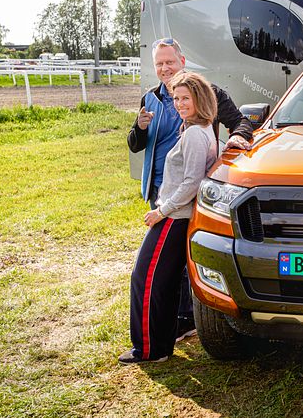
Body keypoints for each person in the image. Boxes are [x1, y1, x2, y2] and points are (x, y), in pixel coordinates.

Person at [127, 38, 252, 343]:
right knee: (167, 262)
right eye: (159, 64)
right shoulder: (151, 98)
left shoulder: (207, 93)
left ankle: (186, 320)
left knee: (182, 260)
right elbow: (134, 145)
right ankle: (173, 321)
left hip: (184, 190)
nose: (164, 68)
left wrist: (235, 140)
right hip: (161, 185)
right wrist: (139, 128)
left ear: (182, 61)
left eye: (170, 62)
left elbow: (241, 123)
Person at [119, 71, 220, 364]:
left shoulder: (194, 135)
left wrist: (160, 211)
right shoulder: (202, 131)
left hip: (174, 218)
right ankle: (160, 346)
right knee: (161, 281)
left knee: (146, 279)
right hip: (176, 216)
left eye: (185, 98)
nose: (178, 103)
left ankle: (148, 350)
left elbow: (191, 182)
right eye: (176, 98)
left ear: (199, 99)